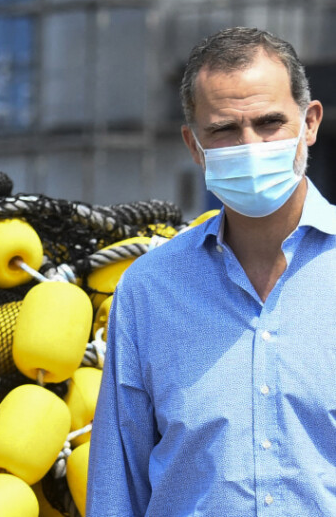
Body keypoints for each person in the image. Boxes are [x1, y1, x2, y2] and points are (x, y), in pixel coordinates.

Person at [86, 26, 336, 516]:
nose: (249, 145)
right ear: (194, 144)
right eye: (224, 129)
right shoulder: (149, 288)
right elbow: (118, 483)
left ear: (309, 123)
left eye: (268, 123)